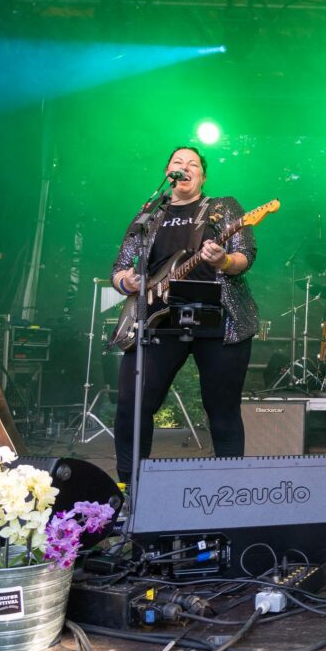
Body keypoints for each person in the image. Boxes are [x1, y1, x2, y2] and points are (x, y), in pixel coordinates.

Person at [110, 146, 258, 486]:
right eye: (178, 162)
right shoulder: (149, 215)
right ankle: (130, 490)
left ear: (202, 177)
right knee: (132, 405)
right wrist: (127, 282)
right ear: (168, 173)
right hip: (157, 320)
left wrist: (222, 260)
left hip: (219, 320)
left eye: (193, 164)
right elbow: (120, 268)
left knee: (222, 411)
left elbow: (245, 255)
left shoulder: (223, 207)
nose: (185, 167)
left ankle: (229, 490)